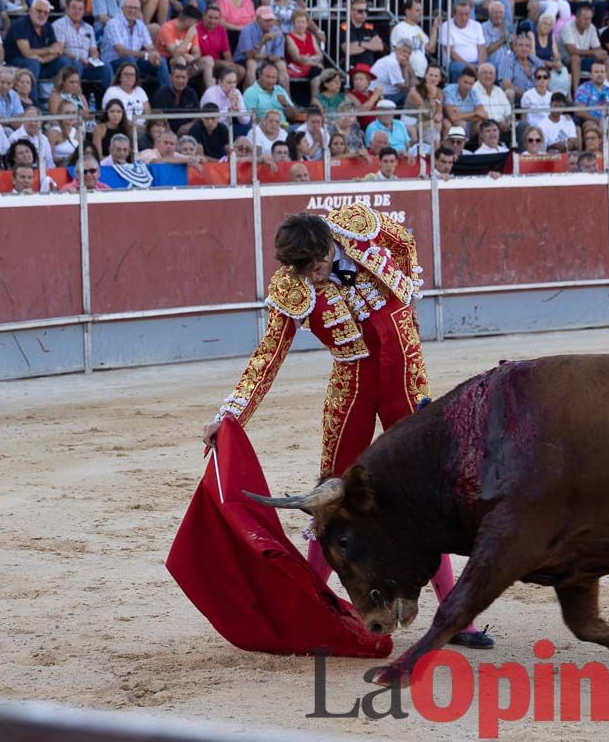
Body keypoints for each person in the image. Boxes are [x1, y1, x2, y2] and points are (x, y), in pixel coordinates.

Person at [203, 209, 495, 651]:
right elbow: (268, 355)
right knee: (332, 496)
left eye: (317, 266)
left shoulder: (358, 224)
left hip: (404, 374)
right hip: (352, 381)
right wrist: (230, 416)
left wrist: (407, 299)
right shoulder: (292, 284)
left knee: (424, 491)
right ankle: (306, 606)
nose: (313, 277)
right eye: (302, 271)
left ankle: (456, 614)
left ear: (327, 246)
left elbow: (405, 243)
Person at [101, 0, 170, 90]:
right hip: (114, 63)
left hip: (134, 62)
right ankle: (136, 95)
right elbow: (122, 52)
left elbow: (150, 47)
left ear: (139, 11)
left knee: (161, 60)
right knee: (129, 59)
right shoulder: (113, 24)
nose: (132, 11)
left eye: (135, 8)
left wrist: (155, 55)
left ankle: (166, 96)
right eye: (129, 7)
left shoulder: (140, 25)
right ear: (123, 9)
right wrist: (146, 54)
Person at [53, 0, 113, 91]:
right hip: (69, 64)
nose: (77, 11)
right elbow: (59, 50)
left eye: (80, 9)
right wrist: (78, 58)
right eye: (74, 8)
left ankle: (114, 96)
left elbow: (94, 50)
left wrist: (94, 58)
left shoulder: (88, 28)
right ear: (67, 9)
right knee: (77, 65)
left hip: (86, 64)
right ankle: (76, 96)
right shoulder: (59, 25)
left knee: (105, 66)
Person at [442, 0, 485, 81]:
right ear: (454, 14)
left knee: (489, 68)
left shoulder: (477, 25)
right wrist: (469, 66)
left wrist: (481, 65)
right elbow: (450, 52)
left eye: (466, 14)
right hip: (457, 63)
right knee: (460, 68)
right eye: (461, 14)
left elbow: (482, 48)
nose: (464, 17)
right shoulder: (446, 26)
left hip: (476, 63)